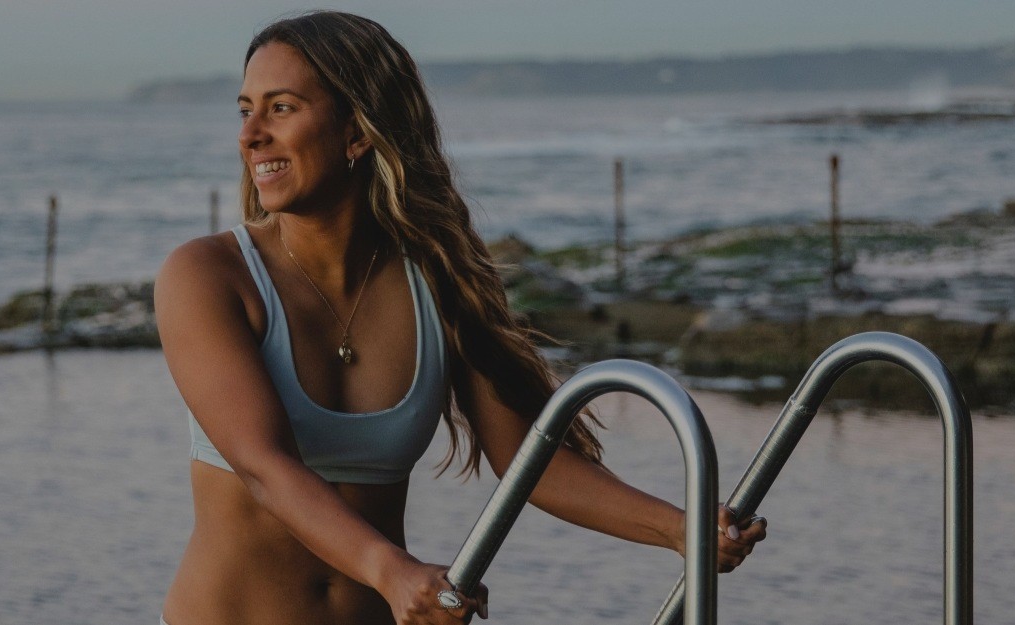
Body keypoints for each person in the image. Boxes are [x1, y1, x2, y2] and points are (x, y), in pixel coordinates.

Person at [154, 11, 767, 625]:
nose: (251, 134)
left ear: (357, 132)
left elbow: (529, 460)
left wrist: (681, 529)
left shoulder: (436, 280)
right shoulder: (207, 277)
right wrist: (392, 571)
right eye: (245, 110)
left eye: (281, 108)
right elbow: (265, 466)